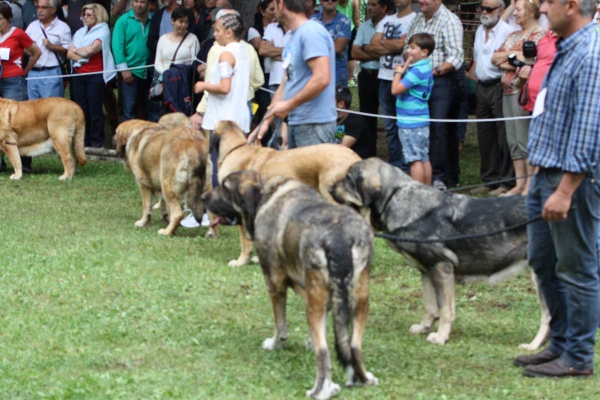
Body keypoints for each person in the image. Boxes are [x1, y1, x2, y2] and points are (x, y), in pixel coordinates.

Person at [513, 0, 600, 379]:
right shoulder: (566, 45)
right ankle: (561, 343)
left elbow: (588, 129)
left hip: (572, 182)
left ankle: (578, 357)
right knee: (543, 261)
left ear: (570, 5)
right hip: (544, 175)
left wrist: (565, 190)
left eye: (548, 1)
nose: (542, 7)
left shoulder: (592, 52)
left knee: (577, 268)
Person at [252, 0, 336, 149]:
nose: (273, 11)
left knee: (309, 173)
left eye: (274, 6)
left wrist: (288, 106)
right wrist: (264, 123)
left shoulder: (311, 32)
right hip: (297, 122)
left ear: (282, 4)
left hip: (314, 125)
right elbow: (285, 84)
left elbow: (322, 77)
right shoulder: (294, 38)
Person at [404, 0, 464, 191]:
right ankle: (421, 172)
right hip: (417, 81)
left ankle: (440, 176)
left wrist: (434, 71)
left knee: (438, 126)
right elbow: (407, 47)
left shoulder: (450, 20)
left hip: (441, 80)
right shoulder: (417, 19)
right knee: (419, 124)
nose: (421, 1)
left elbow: (456, 56)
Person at [492, 0, 545, 196]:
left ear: (531, 12)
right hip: (506, 91)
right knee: (512, 139)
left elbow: (532, 62)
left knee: (523, 138)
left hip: (522, 93)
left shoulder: (540, 35)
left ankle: (528, 185)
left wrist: (511, 58)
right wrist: (515, 56)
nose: (514, 13)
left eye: (518, 9)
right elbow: (495, 59)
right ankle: (518, 183)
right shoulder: (513, 35)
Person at [469, 0, 516, 196]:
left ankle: (507, 182)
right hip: (482, 86)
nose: (484, 12)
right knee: (485, 135)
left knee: (504, 135)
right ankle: (489, 179)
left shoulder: (508, 31)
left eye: (489, 9)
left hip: (499, 86)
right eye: (482, 8)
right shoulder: (480, 31)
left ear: (501, 10)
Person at [368, 0, 416, 170]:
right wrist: (394, 45)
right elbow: (371, 47)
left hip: (404, 79)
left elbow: (406, 48)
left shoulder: (415, 19)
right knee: (389, 125)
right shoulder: (386, 20)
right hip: (384, 78)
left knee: (405, 123)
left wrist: (386, 43)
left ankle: (407, 163)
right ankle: (396, 162)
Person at [67, 3, 116, 148]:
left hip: (95, 75)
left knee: (95, 111)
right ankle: (84, 141)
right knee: (82, 110)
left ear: (98, 16)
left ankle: (96, 142)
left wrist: (77, 49)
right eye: (84, 15)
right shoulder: (80, 32)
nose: (86, 17)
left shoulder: (103, 30)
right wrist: (81, 54)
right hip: (79, 75)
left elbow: (91, 50)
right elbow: (69, 54)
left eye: (90, 15)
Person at [0, 2, 41, 174]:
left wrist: (24, 71)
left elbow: (36, 52)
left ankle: (25, 163)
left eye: (0, 19)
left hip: (13, 81)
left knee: (20, 122)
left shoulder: (18, 34)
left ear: (9, 19)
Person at [391, 33, 434, 185]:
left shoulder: (416, 72)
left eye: (413, 48)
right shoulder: (424, 68)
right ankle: (428, 191)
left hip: (410, 121)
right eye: (409, 47)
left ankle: (418, 193)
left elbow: (395, 90)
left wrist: (397, 73)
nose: (409, 51)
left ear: (424, 52)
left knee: (413, 160)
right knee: (423, 157)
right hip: (421, 119)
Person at [351, 0, 389, 158]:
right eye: (369, 4)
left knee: (390, 117)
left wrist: (366, 48)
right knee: (367, 117)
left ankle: (394, 155)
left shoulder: (391, 25)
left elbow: (393, 52)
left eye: (374, 5)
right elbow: (354, 53)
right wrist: (379, 52)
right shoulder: (364, 26)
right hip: (367, 75)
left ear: (384, 7)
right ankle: (368, 154)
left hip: (385, 76)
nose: (369, 7)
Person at [112, 0, 158, 121]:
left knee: (152, 108)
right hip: (131, 72)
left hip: (151, 70)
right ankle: (129, 139)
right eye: (136, 1)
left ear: (149, 3)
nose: (138, 5)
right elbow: (117, 47)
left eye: (142, 2)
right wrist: (124, 69)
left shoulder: (154, 19)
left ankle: (152, 138)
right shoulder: (123, 21)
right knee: (130, 109)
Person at [154, 6, 200, 115]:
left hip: (184, 83)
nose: (183, 25)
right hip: (166, 82)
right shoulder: (163, 39)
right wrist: (168, 73)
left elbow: (194, 63)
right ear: (173, 21)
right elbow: (157, 63)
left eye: (186, 22)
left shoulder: (193, 39)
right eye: (181, 21)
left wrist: (179, 72)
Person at [26, 0, 71, 100]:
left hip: (51, 72)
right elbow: (24, 47)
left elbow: (68, 49)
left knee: (52, 109)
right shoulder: (32, 26)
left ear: (53, 10)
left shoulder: (63, 27)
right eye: (38, 7)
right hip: (32, 73)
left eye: (43, 7)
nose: (40, 10)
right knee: (33, 110)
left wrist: (52, 46)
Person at [311, 0, 351, 87]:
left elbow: (338, 48)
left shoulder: (345, 21)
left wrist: (315, 43)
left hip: (337, 75)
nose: (329, 1)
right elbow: (305, 46)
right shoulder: (311, 20)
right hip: (315, 74)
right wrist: (331, 42)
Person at [334, 86, 370, 159]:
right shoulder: (330, 119)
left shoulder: (356, 121)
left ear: (341, 104)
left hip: (355, 164)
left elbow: (341, 149)